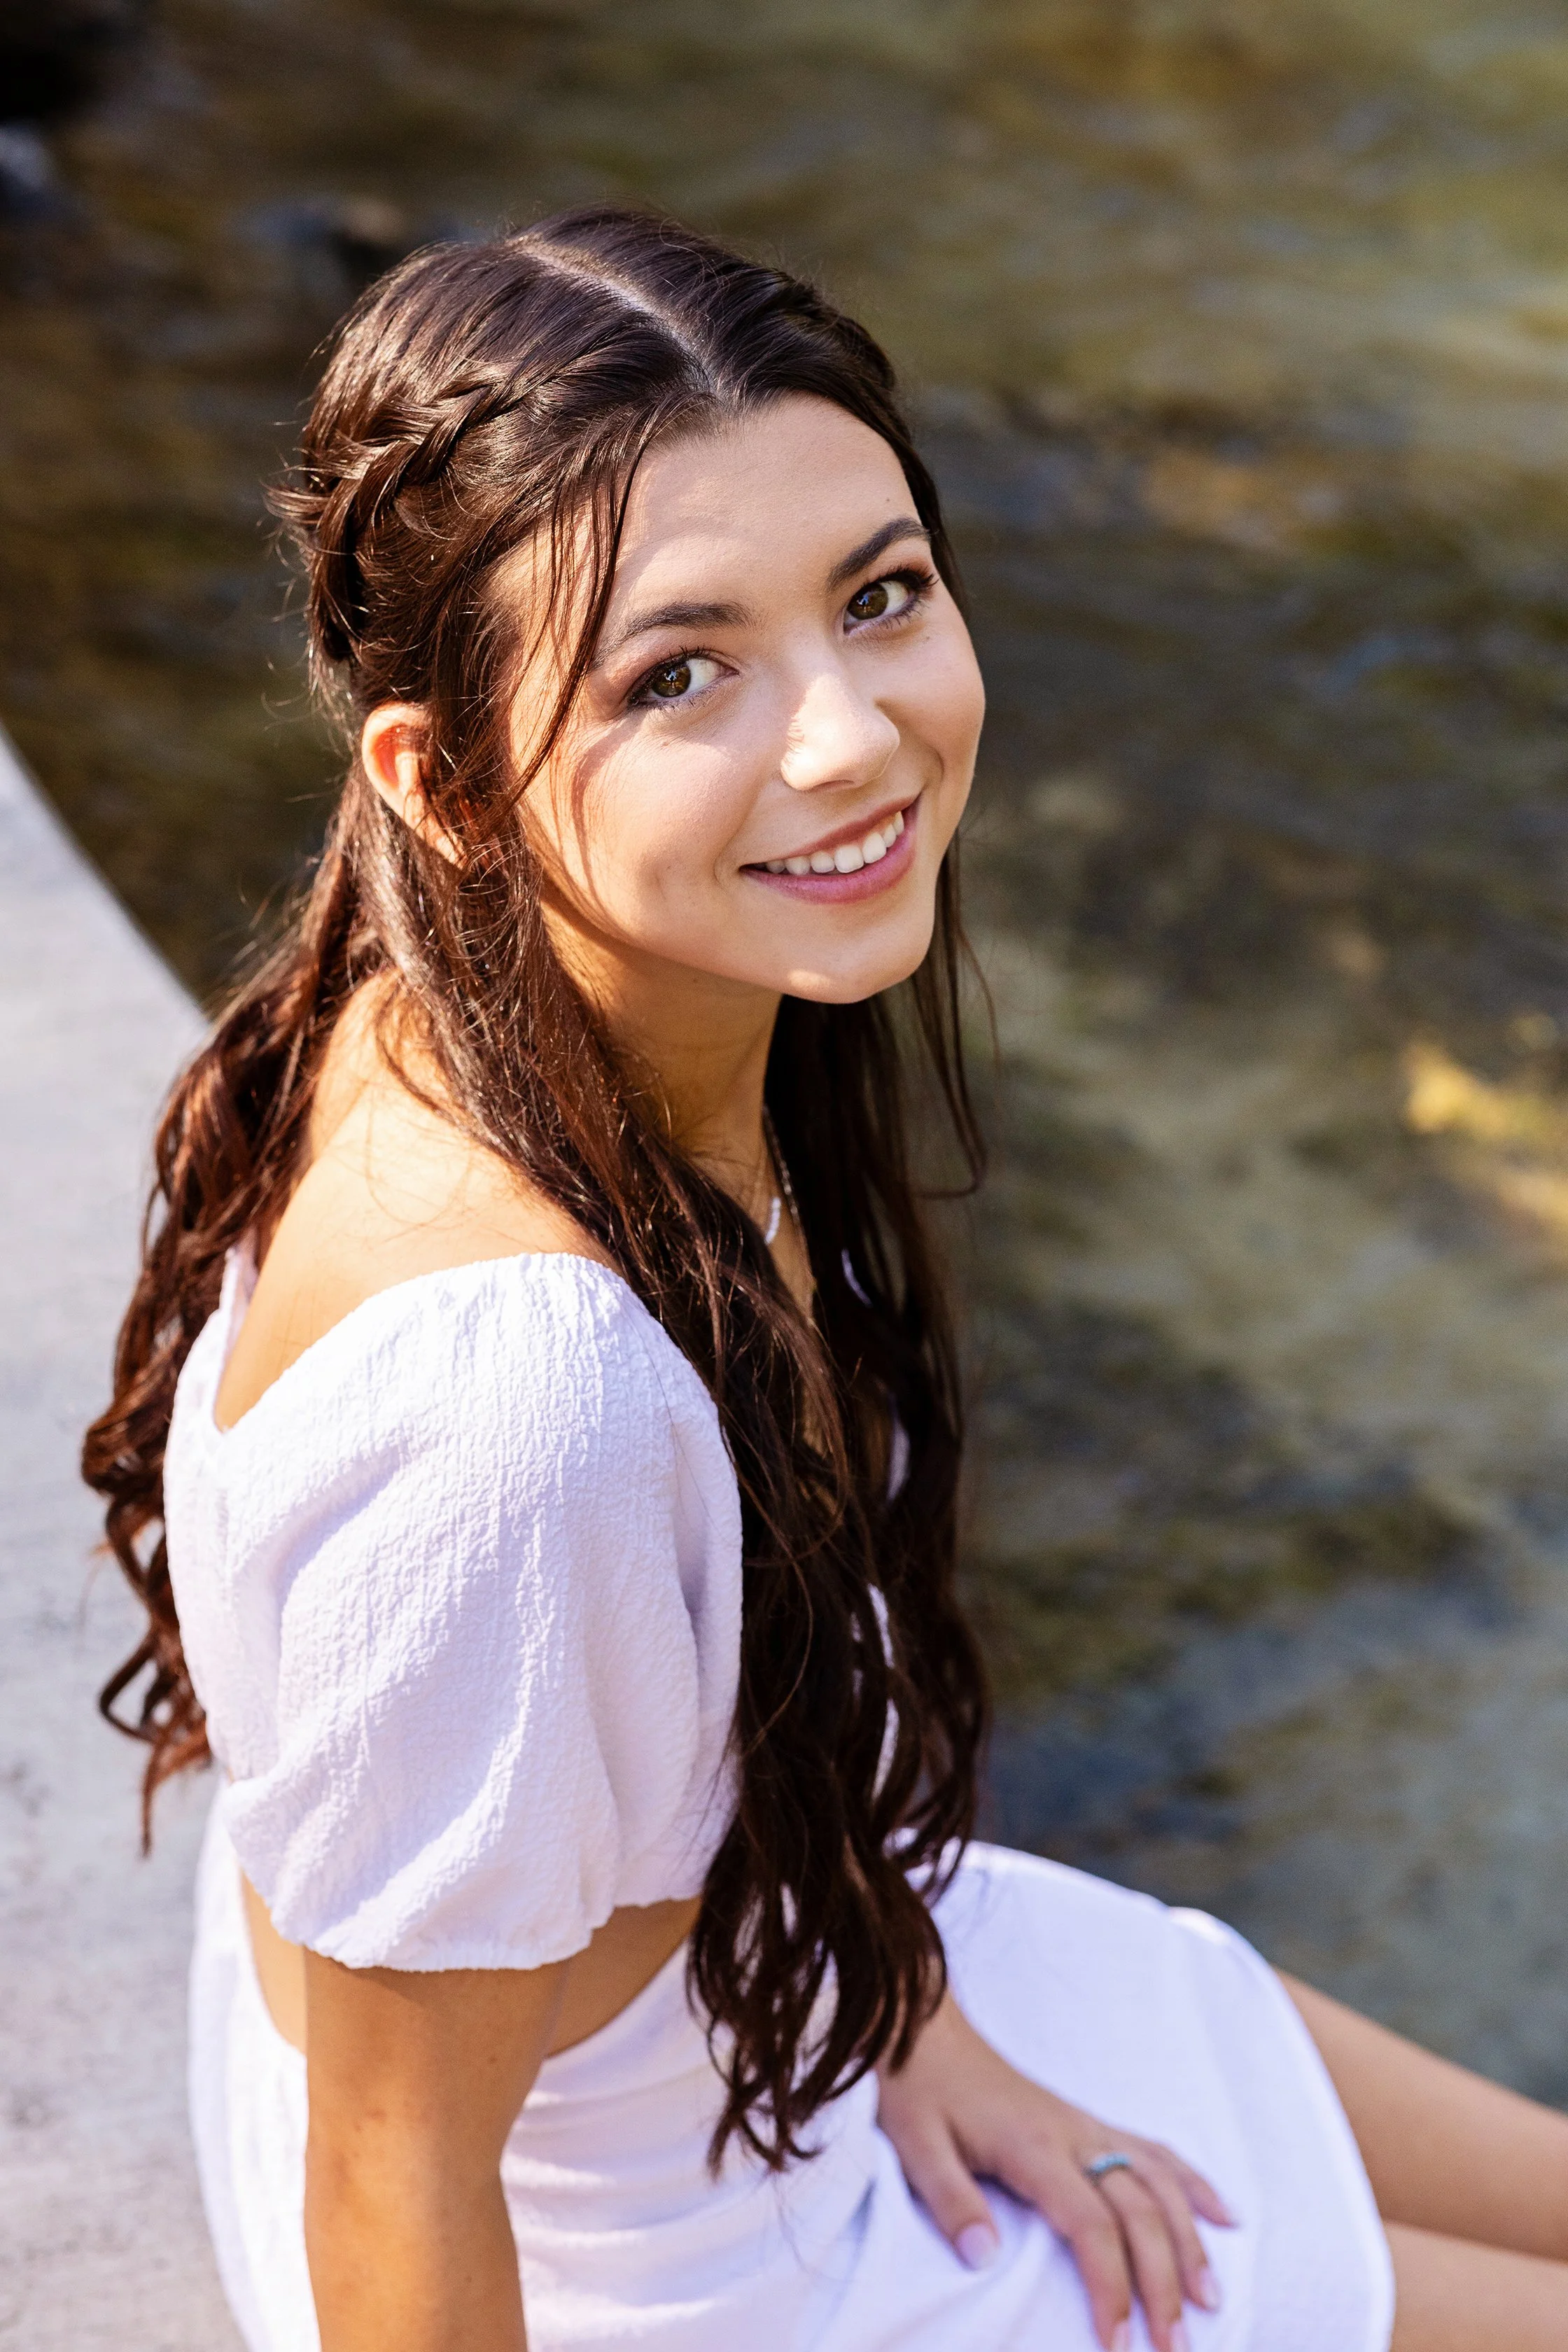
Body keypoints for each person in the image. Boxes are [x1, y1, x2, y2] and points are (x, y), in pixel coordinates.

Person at [85, 208, 1568, 2352]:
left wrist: (905, 2017)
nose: (851, 741)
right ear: (440, 779)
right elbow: (390, 2173)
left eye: (878, 596)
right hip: (671, 2264)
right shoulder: (513, 1411)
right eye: (678, 674)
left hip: (776, 1972)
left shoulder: (501, 995)